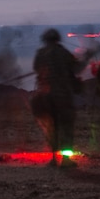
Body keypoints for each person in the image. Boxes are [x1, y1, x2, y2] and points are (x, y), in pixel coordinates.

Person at [31, 28, 83, 167]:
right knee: (66, 126)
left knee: (51, 127)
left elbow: (36, 68)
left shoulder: (40, 54)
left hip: (44, 95)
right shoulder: (63, 53)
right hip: (62, 95)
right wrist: (87, 57)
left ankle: (54, 158)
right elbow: (77, 69)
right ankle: (66, 159)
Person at [0, 26, 27, 150]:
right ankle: (1, 143)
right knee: (6, 116)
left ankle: (8, 143)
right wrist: (5, 79)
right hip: (5, 88)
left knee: (11, 116)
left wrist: (16, 74)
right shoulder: (0, 49)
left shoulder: (4, 49)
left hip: (9, 87)